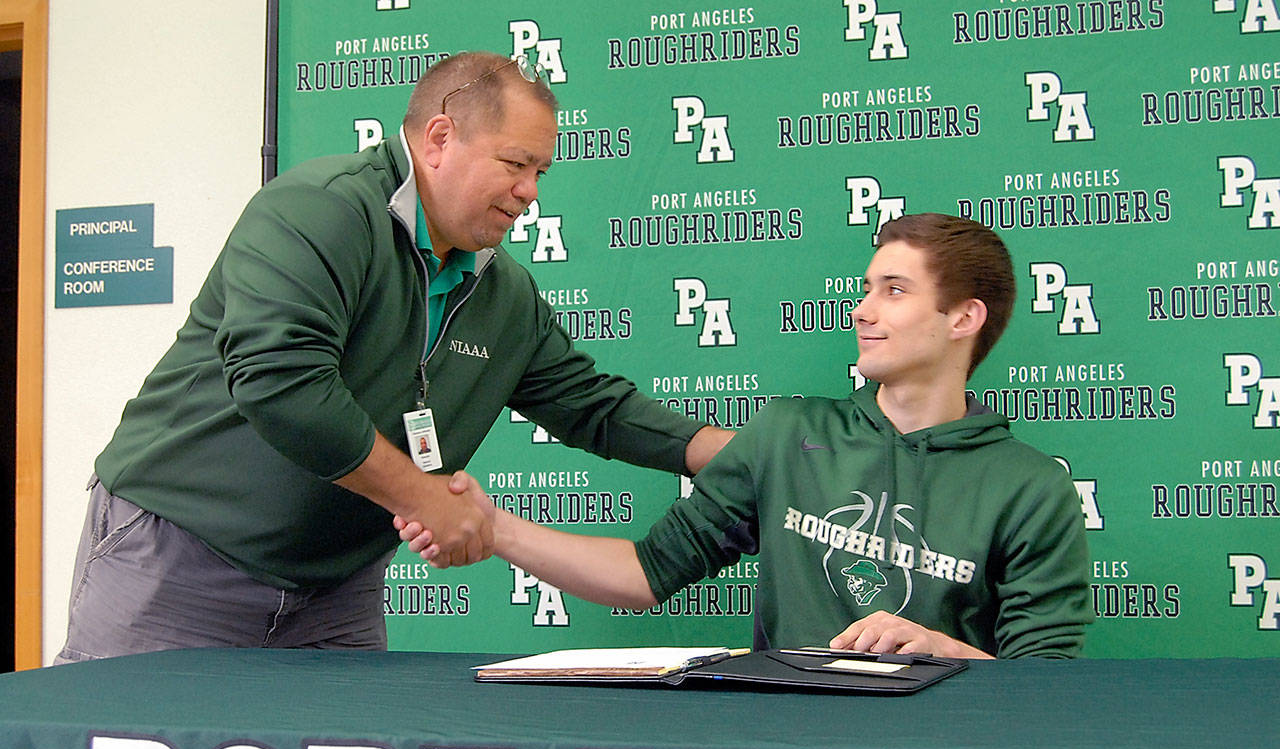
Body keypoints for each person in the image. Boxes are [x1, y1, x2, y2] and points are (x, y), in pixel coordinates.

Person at [55, 51, 731, 662]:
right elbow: (280, 382)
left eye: (540, 171)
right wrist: (422, 496)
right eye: (515, 164)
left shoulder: (506, 294)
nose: (531, 191)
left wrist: (739, 453)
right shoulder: (320, 210)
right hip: (180, 559)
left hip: (335, 590)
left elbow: (595, 408)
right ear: (439, 139)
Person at [402, 214, 1091, 658]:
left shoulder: (1031, 487)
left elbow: (1047, 688)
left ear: (964, 318)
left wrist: (940, 650)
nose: (862, 310)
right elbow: (645, 574)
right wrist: (496, 528)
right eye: (866, 289)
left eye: (894, 290)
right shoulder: (788, 434)